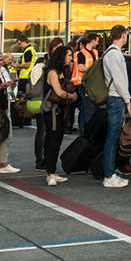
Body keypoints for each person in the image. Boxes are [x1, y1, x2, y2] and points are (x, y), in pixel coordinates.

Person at [99, 25, 131, 188]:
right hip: (115, 98)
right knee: (112, 137)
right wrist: (128, 100)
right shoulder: (113, 54)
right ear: (123, 35)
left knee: (113, 137)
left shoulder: (113, 53)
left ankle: (110, 172)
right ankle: (109, 175)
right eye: (126, 35)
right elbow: (119, 81)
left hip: (116, 98)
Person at [40, 43, 75, 186]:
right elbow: (59, 92)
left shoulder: (63, 71)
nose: (71, 58)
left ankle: (52, 171)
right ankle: (50, 173)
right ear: (61, 56)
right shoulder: (52, 72)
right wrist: (70, 95)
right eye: (68, 56)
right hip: (52, 109)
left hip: (60, 109)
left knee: (58, 139)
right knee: (52, 140)